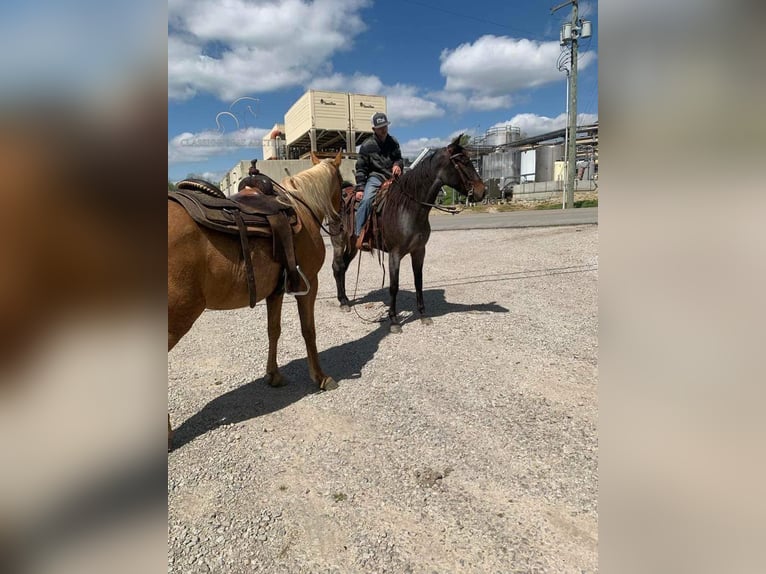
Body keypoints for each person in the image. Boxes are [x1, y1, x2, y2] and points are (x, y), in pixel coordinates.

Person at [353, 112, 403, 249]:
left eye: (385, 126)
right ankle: (358, 233)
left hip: (393, 177)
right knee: (367, 200)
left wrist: (397, 165)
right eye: (380, 127)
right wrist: (360, 188)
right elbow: (361, 168)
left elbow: (399, 158)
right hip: (376, 177)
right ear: (373, 129)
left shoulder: (393, 142)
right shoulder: (366, 145)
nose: (383, 129)